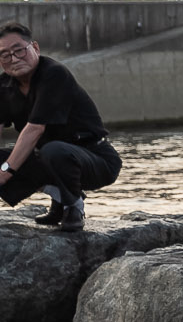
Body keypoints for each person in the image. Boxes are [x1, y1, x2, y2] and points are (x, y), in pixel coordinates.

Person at [0, 21, 119, 231]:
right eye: (5, 55)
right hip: (48, 158)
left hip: (95, 158)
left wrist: (5, 172)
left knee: (53, 150)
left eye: (19, 50)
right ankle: (59, 197)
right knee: (39, 153)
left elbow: (34, 129)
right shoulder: (4, 85)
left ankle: (73, 205)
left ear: (34, 48)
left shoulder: (54, 74)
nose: (14, 59)